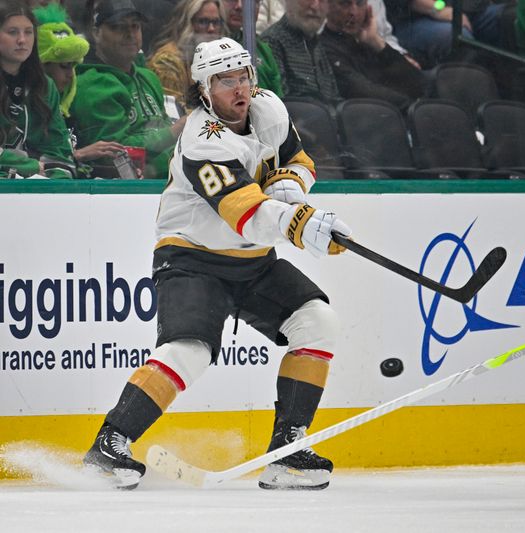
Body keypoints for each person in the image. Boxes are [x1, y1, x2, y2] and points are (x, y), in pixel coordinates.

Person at [82, 36, 352, 491]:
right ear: (204, 90)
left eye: (243, 76)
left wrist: (289, 184)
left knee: (317, 321)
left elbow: (300, 160)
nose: (238, 88)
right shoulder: (203, 141)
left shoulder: (269, 108)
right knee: (190, 349)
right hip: (191, 258)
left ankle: (286, 452)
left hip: (253, 261)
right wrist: (300, 224)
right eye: (225, 80)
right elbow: (245, 214)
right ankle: (109, 444)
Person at [70, 0, 186, 179]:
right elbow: (113, 152)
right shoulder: (93, 84)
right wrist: (174, 131)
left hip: (169, 181)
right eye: (118, 27)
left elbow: (160, 131)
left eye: (135, 26)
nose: (130, 34)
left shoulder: (148, 78)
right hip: (122, 191)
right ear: (96, 33)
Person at [34, 3, 127, 176]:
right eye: (64, 66)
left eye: (74, 66)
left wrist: (113, 172)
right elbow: (27, 160)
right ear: (40, 67)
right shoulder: (26, 111)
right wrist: (80, 154)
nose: (71, 74)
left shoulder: (69, 110)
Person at [0, 0, 74, 178]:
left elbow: (60, 152)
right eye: (12, 32)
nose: (22, 40)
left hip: (37, 190)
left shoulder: (44, 86)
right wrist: (26, 165)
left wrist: (55, 181)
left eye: (28, 32)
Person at [321, 0, 427, 109]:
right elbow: (362, 90)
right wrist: (413, 107)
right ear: (327, 6)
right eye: (345, 3)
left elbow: (420, 84)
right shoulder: (324, 48)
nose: (354, 12)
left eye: (360, 3)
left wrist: (377, 42)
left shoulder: (369, 41)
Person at [147, 0, 225, 113]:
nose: (211, 29)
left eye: (216, 22)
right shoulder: (167, 62)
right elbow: (175, 115)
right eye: (203, 21)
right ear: (187, 24)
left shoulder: (213, 57)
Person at [383, 0, 502, 69]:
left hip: (472, 9)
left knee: (509, 18)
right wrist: (439, 8)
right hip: (412, 19)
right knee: (457, 37)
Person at [260, 0, 340, 103]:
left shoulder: (317, 44)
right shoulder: (272, 42)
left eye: (322, 0)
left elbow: (334, 98)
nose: (315, 6)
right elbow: (282, 105)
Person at [222, 0, 283, 95]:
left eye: (253, 1)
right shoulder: (206, 47)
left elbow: (278, 99)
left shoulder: (262, 49)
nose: (240, 6)